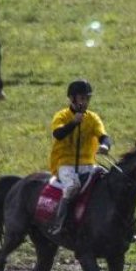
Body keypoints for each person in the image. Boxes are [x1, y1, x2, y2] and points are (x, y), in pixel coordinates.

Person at [47, 79, 112, 236]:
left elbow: (104, 136)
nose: (85, 102)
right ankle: (59, 223)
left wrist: (105, 146)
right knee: (72, 187)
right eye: (82, 98)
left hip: (88, 164)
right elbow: (58, 134)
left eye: (87, 98)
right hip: (65, 164)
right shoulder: (61, 116)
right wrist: (73, 123)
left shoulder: (93, 118)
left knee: (110, 183)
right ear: (72, 99)